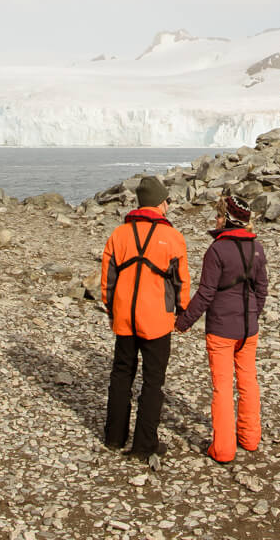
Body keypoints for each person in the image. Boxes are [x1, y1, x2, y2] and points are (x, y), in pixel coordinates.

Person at [100, 175, 191, 460]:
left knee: (121, 375)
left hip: (125, 316)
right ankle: (144, 444)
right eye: (167, 201)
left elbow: (108, 280)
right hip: (157, 321)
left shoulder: (118, 234)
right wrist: (182, 312)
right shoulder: (173, 237)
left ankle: (114, 437)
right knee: (153, 382)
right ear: (159, 203)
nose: (168, 206)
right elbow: (181, 282)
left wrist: (111, 308)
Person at [176, 193, 268, 463]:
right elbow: (261, 290)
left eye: (217, 215)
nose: (215, 220)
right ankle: (250, 438)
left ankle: (224, 449)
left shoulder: (216, 250)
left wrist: (182, 322)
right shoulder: (257, 247)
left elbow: (206, 294)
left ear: (227, 219)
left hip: (221, 330)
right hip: (249, 328)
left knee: (223, 388)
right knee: (248, 382)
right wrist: (253, 314)